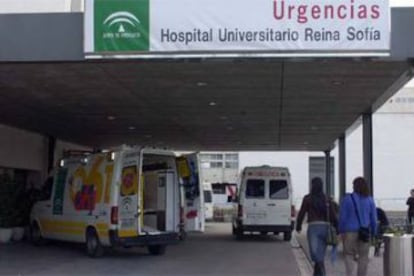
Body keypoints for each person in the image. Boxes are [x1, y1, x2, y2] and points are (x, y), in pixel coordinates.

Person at [296, 177, 338, 276]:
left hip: (313, 228)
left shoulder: (308, 198)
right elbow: (333, 215)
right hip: (325, 228)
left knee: (315, 254)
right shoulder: (327, 199)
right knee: (319, 255)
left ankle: (321, 273)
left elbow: (302, 213)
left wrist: (298, 225)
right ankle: (319, 273)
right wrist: (337, 227)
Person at [339, 177, 377, 276]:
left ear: (354, 186)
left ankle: (350, 274)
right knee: (363, 257)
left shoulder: (347, 199)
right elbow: (373, 218)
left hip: (349, 232)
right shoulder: (370, 200)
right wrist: (374, 232)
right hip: (364, 232)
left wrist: (341, 231)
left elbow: (342, 217)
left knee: (348, 254)